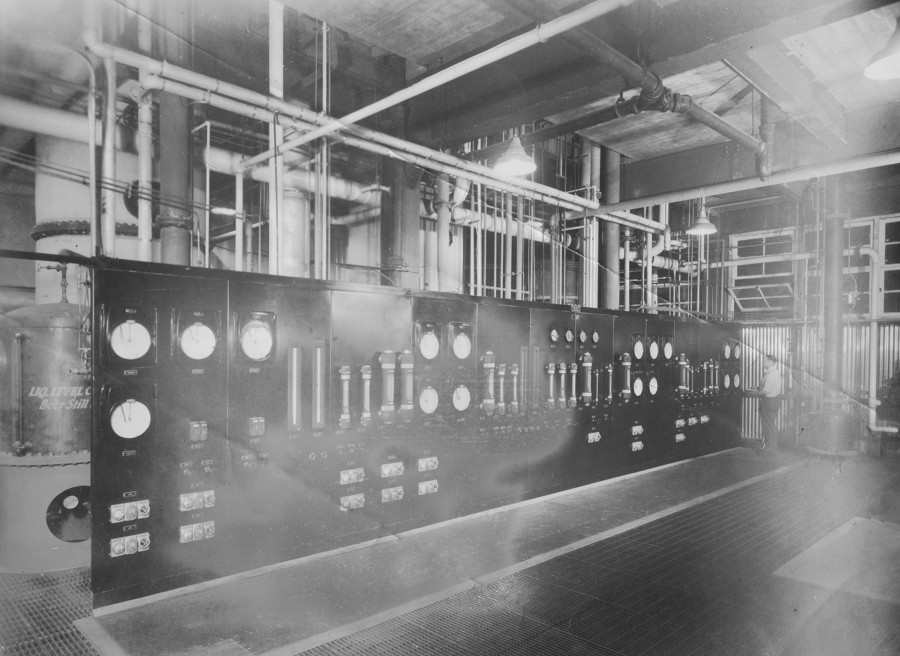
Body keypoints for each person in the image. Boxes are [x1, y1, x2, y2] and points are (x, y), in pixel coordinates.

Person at [756, 354, 782, 451]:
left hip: (769, 402)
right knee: (771, 424)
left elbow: (766, 391)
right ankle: (771, 447)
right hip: (774, 401)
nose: (763, 362)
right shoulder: (776, 372)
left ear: (770, 362)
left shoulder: (770, 374)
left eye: (765, 360)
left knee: (769, 425)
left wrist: (756, 393)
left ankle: (771, 448)